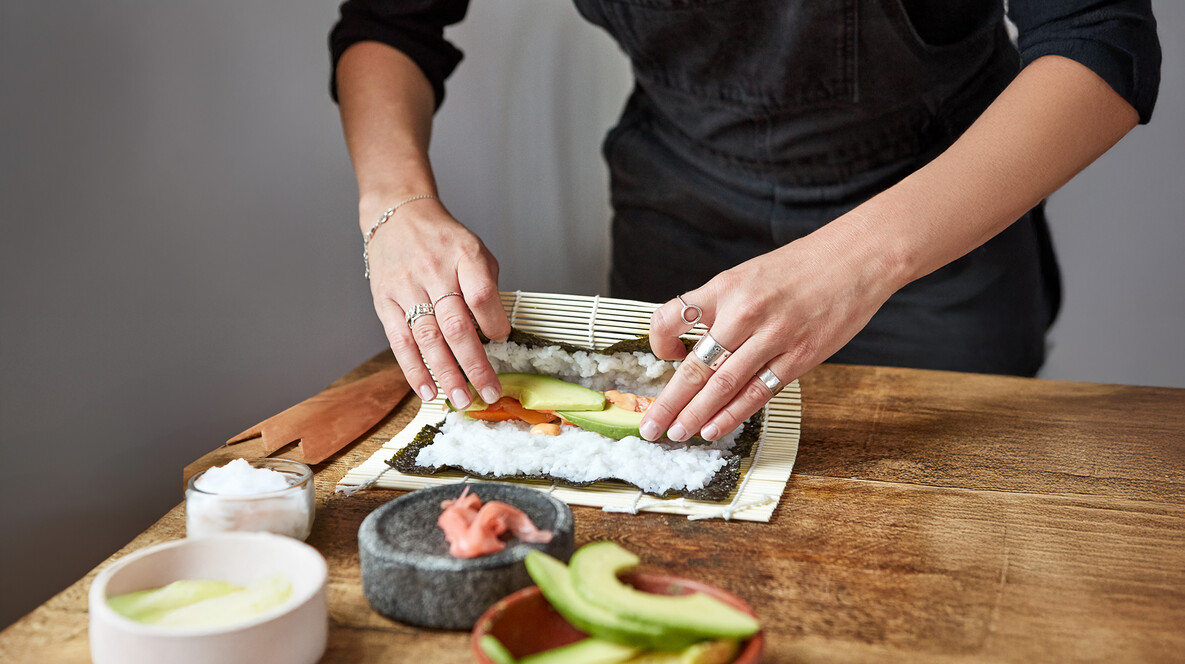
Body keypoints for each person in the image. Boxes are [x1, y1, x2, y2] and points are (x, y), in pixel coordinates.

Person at [328, 1, 1160, 443]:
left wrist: (854, 263)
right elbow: (389, 24)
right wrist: (394, 206)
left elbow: (1100, 40)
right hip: (679, 212)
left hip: (931, 226)